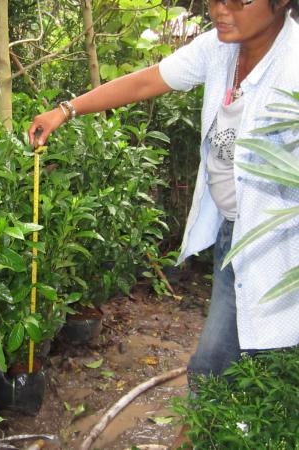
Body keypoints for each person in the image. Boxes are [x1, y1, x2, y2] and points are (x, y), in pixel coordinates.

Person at [29, 0, 299, 389]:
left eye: (238, 1)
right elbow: (147, 80)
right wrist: (66, 111)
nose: (220, 10)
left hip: (277, 245)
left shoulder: (292, 66)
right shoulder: (220, 48)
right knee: (234, 360)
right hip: (234, 233)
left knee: (238, 363)